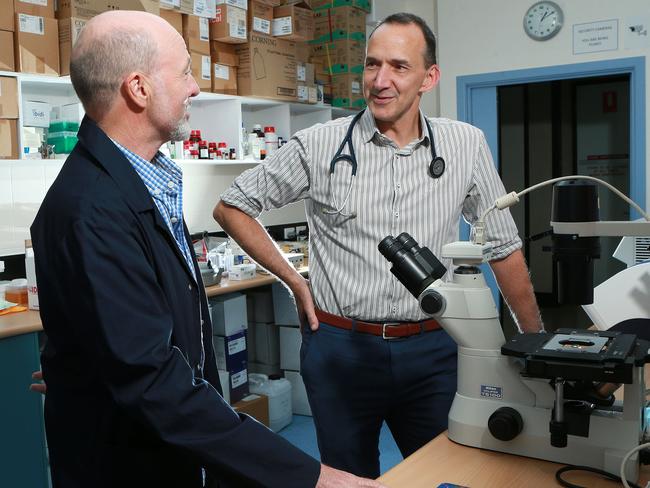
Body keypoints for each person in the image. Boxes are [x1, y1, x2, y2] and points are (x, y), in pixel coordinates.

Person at [30, 10, 386, 488]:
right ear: (139, 89)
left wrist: (84, 365)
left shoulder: (141, 181)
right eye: (184, 72)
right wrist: (313, 478)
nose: (195, 87)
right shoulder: (91, 209)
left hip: (175, 453)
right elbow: (155, 384)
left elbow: (124, 334)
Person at [214, 12, 544, 479]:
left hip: (435, 349)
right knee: (346, 479)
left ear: (430, 77)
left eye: (398, 67)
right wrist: (293, 280)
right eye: (371, 65)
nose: (380, 80)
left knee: (448, 472)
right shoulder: (319, 144)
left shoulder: (465, 145)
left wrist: (535, 346)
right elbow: (232, 205)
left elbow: (504, 247)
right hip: (340, 350)